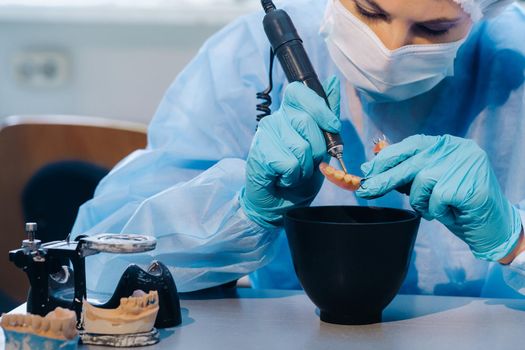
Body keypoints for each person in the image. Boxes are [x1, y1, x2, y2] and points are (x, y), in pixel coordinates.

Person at [71, 0, 525, 298]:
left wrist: (515, 241)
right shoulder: (249, 58)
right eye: (369, 9)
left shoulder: (515, 65)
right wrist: (240, 213)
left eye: (433, 28)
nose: (389, 51)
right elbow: (93, 266)